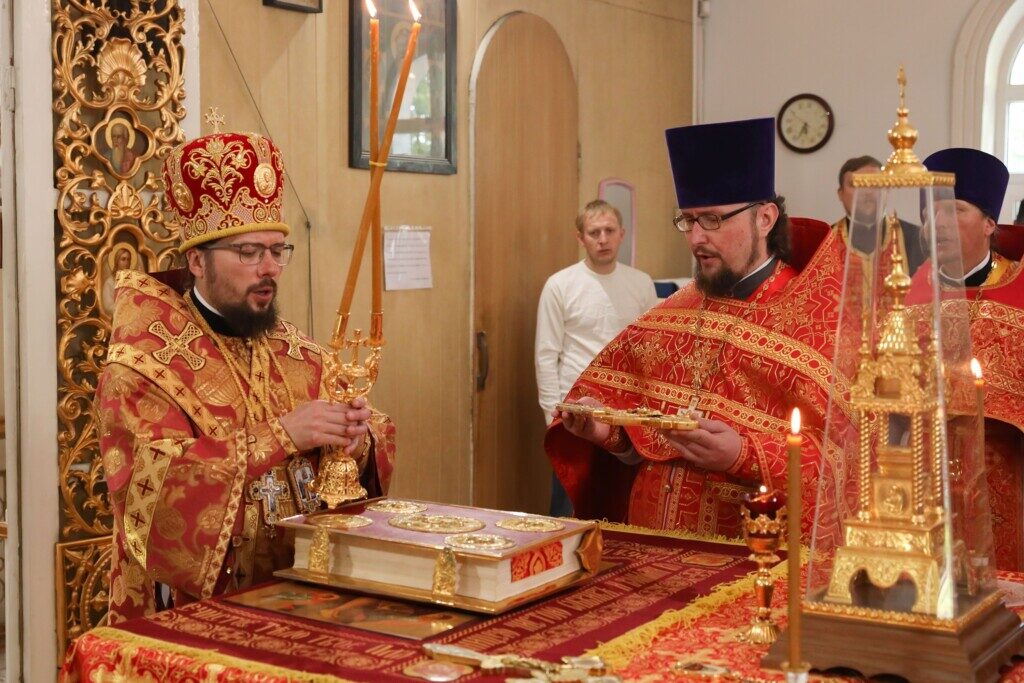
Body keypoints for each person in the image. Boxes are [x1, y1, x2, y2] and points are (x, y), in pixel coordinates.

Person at [96, 129, 395, 623]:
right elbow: (150, 493)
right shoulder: (143, 367)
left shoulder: (300, 354)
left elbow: (364, 449)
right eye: (249, 252)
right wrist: (281, 436)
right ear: (197, 260)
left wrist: (356, 437)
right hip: (197, 610)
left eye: (278, 251)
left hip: (301, 599)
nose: (270, 268)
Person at [544, 118, 847, 540]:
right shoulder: (674, 311)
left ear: (765, 218)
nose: (696, 238)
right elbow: (642, 440)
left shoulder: (822, 318)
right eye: (688, 220)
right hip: (651, 549)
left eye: (712, 220)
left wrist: (743, 453)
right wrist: (604, 431)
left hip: (754, 555)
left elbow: (849, 460)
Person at [917, 147, 1024, 571]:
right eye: (930, 210)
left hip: (1004, 494)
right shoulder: (902, 291)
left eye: (954, 209)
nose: (937, 222)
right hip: (917, 493)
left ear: (989, 223)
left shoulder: (1019, 290)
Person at [535, 200, 657, 516]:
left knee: (620, 504)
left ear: (621, 234)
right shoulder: (560, 285)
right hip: (575, 410)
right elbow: (546, 354)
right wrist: (552, 415)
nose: (603, 239)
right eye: (594, 233)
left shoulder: (641, 283)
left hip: (625, 412)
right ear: (581, 238)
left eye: (609, 231)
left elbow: (650, 350)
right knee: (568, 506)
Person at [834, 154, 925, 273]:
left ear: (887, 189)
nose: (867, 191)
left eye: (875, 183)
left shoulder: (917, 239)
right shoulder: (823, 243)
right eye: (856, 184)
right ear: (840, 194)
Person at [101, 244, 139, 315]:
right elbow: (107, 306)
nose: (126, 263)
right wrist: (124, 308)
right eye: (123, 259)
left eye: (128, 259)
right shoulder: (110, 282)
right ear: (117, 261)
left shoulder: (133, 280)